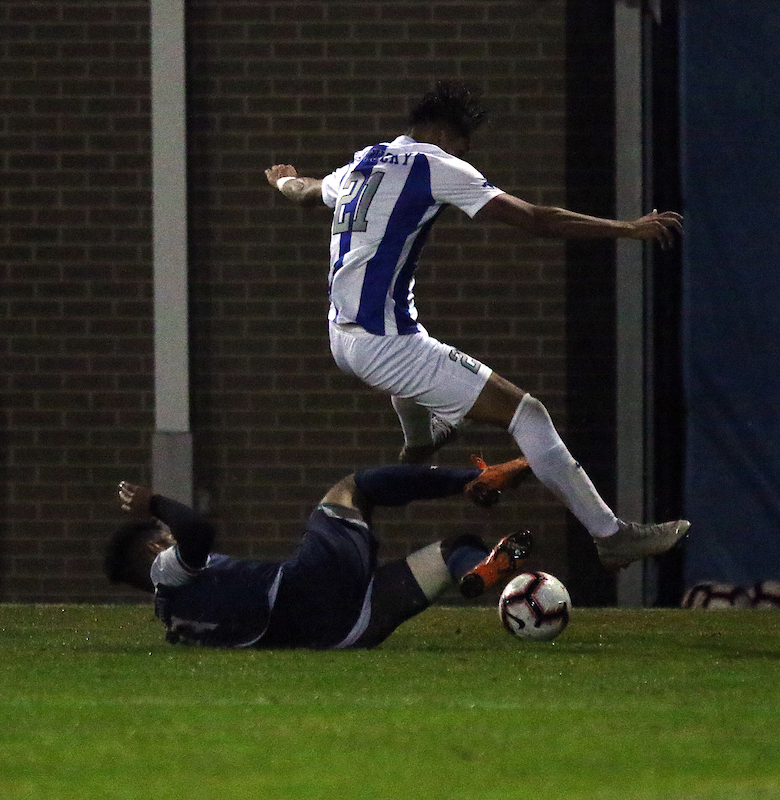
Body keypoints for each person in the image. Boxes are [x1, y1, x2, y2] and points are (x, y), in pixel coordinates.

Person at [263, 80, 689, 571]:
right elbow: (536, 218)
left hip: (341, 334)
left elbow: (308, 190)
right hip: (383, 345)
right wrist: (626, 229)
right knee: (527, 414)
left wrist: (280, 182)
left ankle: (421, 439)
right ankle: (611, 535)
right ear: (445, 134)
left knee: (418, 345)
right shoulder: (437, 166)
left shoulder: (367, 161)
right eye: (465, 145)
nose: (468, 154)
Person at [104, 457, 533, 649]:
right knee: (352, 489)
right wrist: (155, 503)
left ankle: (477, 568)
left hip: (343, 632)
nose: (171, 540)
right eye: (164, 537)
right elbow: (198, 531)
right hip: (312, 586)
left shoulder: (177, 624)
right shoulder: (166, 570)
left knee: (453, 549)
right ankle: (477, 478)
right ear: (153, 547)